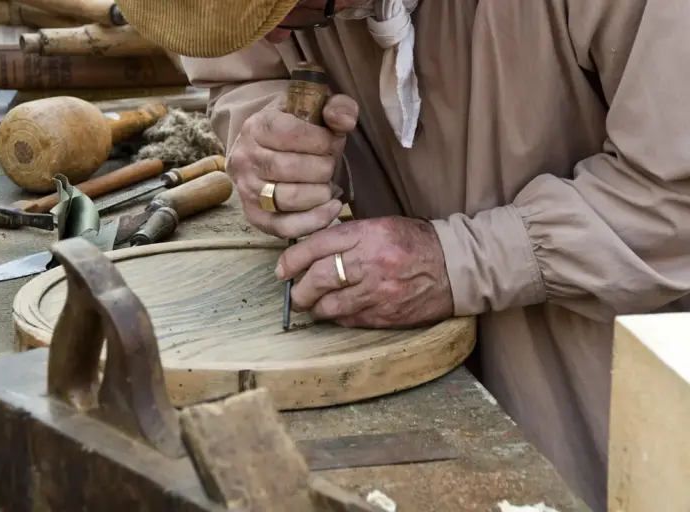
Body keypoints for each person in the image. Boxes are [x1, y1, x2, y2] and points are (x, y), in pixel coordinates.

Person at [115, 0, 690, 510]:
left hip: (614, 387)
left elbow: (673, 199)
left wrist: (458, 261)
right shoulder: (275, 27)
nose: (270, 38)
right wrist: (270, 143)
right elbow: (241, 73)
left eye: (283, 11)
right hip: (423, 387)